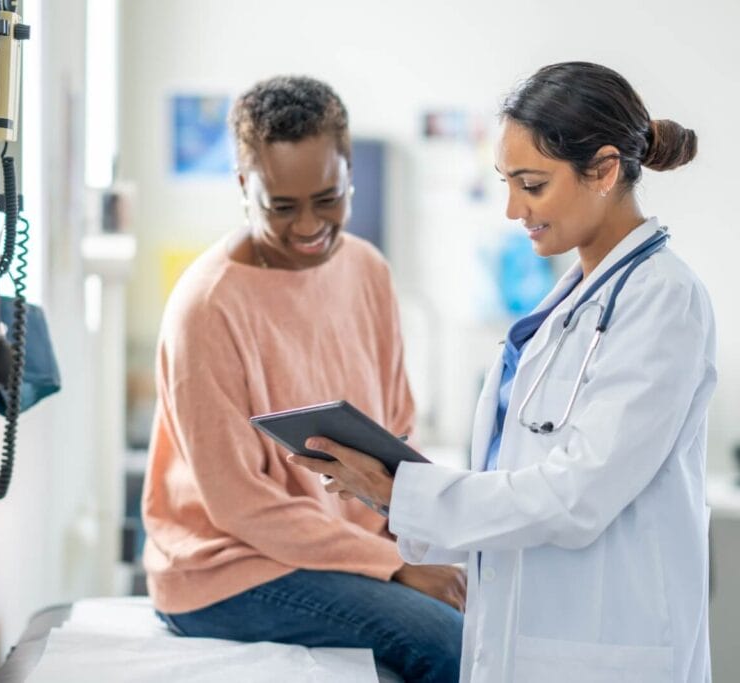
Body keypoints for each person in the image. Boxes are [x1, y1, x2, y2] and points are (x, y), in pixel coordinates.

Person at [290, 62, 715, 683]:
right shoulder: (571, 302)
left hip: (608, 648)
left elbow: (576, 496)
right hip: (530, 638)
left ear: (602, 170)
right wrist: (396, 493)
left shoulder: (664, 299)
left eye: (532, 184)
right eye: (506, 182)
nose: (514, 208)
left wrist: (401, 493)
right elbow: (516, 480)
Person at [141, 75, 465, 681]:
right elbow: (241, 508)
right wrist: (391, 568)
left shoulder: (367, 269)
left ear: (349, 176)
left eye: (327, 198)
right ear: (244, 186)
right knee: (452, 643)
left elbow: (395, 432)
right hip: (228, 569)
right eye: (281, 207)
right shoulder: (206, 307)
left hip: (332, 554)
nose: (309, 226)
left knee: (500, 615)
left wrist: (416, 545)